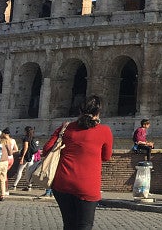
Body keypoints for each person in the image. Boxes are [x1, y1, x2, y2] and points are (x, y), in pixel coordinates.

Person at [45, 95, 113, 230]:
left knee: (69, 225)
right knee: (84, 225)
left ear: (80, 110)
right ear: (98, 113)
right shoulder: (104, 131)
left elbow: (47, 150)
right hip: (87, 185)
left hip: (62, 182)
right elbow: (106, 156)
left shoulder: (65, 128)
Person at [12, 126, 37, 190]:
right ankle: (29, 186)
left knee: (20, 170)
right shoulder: (32, 138)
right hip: (31, 155)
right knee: (29, 171)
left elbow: (25, 147)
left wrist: (22, 157)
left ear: (26, 131)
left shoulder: (26, 138)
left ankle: (14, 185)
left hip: (26, 156)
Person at [0, 128, 11, 201]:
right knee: (3, 179)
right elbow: (10, 153)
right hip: (5, 161)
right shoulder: (6, 142)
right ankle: (2, 194)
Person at [1, 128, 17, 194]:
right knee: (5, 174)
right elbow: (16, 149)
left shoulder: (3, 141)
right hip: (11, 159)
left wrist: (6, 152)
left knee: (4, 175)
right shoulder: (13, 140)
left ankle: (5, 189)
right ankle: (4, 189)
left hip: (5, 159)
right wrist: (10, 152)